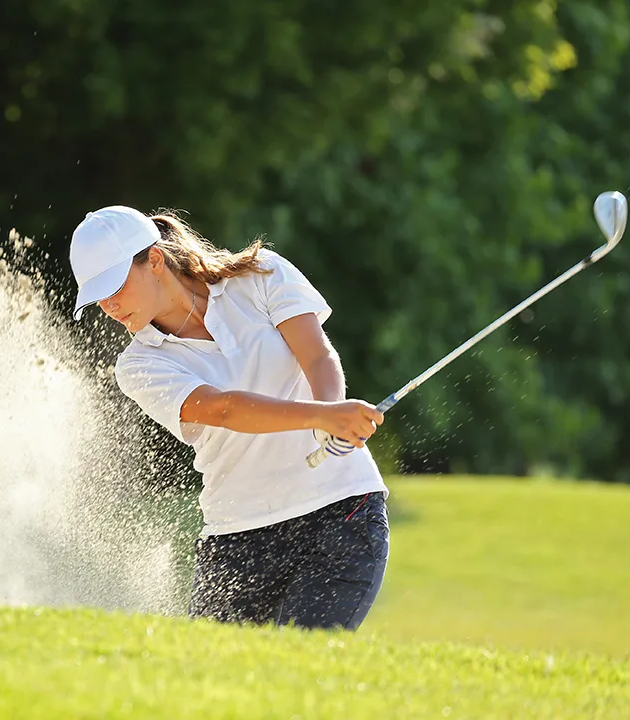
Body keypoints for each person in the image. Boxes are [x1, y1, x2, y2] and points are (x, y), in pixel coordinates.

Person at [68, 205, 390, 631]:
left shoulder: (261, 275)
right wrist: (322, 415)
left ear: (156, 261)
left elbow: (317, 355)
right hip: (237, 537)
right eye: (98, 297)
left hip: (340, 515)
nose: (109, 306)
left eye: (115, 287)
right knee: (210, 685)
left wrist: (329, 414)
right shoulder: (138, 364)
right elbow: (223, 409)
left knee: (301, 671)